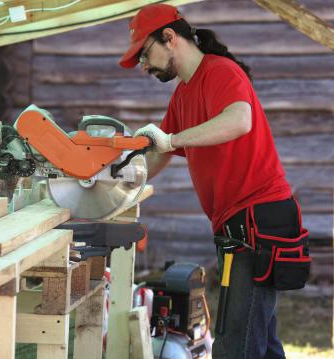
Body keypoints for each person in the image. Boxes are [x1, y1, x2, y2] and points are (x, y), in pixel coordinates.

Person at [119, 4, 310, 359]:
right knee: (261, 343)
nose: (144, 67)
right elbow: (159, 152)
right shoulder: (183, 94)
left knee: (235, 345)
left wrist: (174, 140)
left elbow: (240, 120)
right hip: (235, 225)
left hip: (257, 221)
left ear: (170, 37)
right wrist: (120, 181)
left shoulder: (221, 72)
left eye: (145, 55)